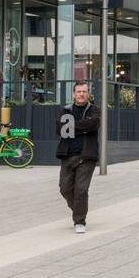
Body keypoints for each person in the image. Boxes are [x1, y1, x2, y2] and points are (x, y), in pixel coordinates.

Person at [56, 81, 101, 234]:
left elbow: (93, 125)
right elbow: (61, 130)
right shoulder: (66, 110)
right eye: (79, 91)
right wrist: (83, 127)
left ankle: (79, 221)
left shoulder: (94, 110)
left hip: (87, 156)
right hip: (68, 155)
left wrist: (72, 126)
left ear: (88, 94)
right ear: (74, 94)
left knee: (81, 190)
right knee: (65, 189)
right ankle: (78, 209)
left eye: (84, 91)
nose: (82, 94)